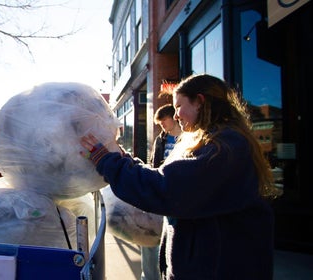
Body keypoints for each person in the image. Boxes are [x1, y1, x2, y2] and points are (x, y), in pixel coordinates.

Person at [80, 74, 276, 279]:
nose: (176, 116)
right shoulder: (217, 142)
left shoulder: (225, 147)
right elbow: (167, 178)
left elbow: (167, 189)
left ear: (200, 102)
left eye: (179, 106)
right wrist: (123, 159)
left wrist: (108, 162)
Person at [141, 104, 182, 280]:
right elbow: (154, 164)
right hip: (162, 192)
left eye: (164, 120)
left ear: (173, 117)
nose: (162, 125)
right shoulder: (160, 140)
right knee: (149, 239)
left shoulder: (189, 138)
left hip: (181, 197)